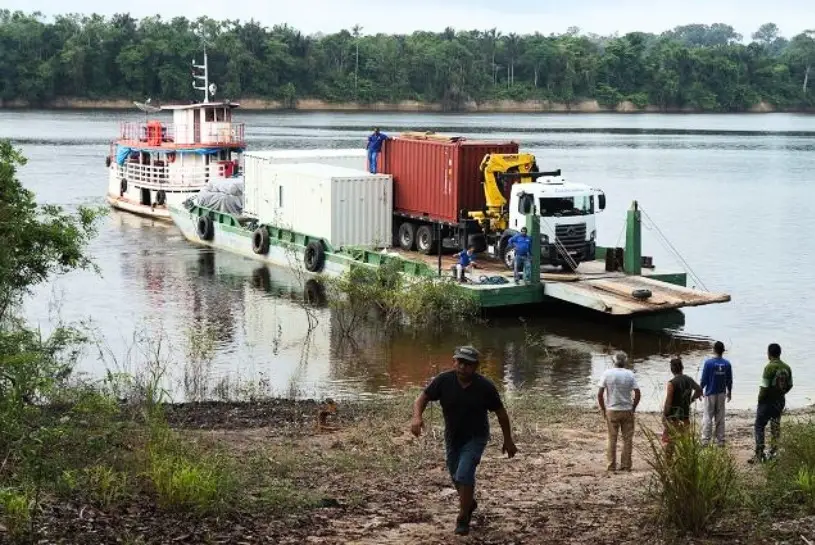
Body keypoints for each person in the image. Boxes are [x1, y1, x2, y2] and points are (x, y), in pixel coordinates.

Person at [411, 346, 517, 536]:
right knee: (455, 476)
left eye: (467, 364)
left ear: (475, 366)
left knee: (463, 474)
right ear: (454, 362)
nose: (462, 367)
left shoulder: (485, 387)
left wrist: (508, 440)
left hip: (476, 437)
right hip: (453, 436)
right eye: (459, 362)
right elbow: (421, 399)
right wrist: (417, 418)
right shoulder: (444, 381)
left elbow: (501, 415)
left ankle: (463, 517)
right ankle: (469, 502)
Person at [597, 352, 641, 472]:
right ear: (625, 361)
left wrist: (603, 409)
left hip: (612, 409)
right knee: (627, 439)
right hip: (627, 410)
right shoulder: (630, 374)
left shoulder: (607, 373)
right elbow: (637, 393)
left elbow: (600, 394)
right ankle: (626, 465)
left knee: (612, 438)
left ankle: (611, 466)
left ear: (613, 361)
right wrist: (633, 408)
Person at [750, 343, 793, 464]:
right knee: (775, 426)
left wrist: (760, 400)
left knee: (759, 425)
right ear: (780, 353)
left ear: (769, 354)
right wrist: (782, 393)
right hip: (779, 401)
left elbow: (764, 387)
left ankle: (760, 453)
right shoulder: (787, 367)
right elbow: (790, 385)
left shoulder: (769, 368)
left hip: (766, 402)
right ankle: (773, 451)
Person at [662, 357, 703, 455]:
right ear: (682, 367)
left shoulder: (672, 383)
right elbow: (699, 390)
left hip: (674, 418)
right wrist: (691, 400)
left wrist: (665, 415)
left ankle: (669, 465)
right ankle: (685, 463)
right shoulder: (689, 380)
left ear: (672, 369)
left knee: (671, 441)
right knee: (685, 441)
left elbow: (669, 401)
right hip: (685, 417)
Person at [699, 341, 733, 447]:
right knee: (720, 416)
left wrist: (700, 390)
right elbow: (729, 380)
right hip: (722, 393)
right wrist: (729, 392)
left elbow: (704, 379)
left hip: (710, 393)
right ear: (723, 351)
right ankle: (721, 440)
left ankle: (705, 439)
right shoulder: (727, 364)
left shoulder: (708, 363)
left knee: (707, 416)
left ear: (714, 350)